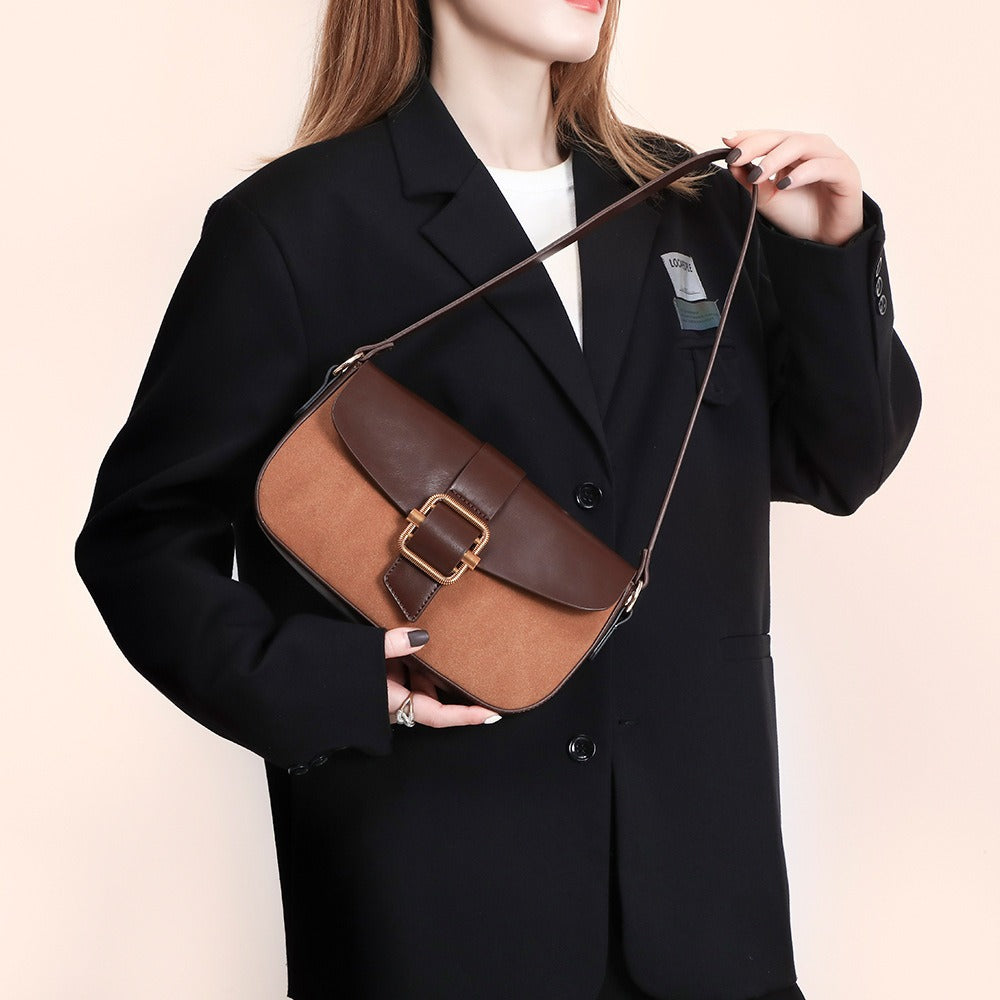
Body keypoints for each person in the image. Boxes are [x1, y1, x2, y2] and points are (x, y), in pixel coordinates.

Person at [74, 1, 922, 998]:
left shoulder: (696, 202)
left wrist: (831, 252)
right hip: (435, 905)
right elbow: (140, 539)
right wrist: (331, 682)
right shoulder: (296, 225)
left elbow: (837, 464)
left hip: (707, 914)